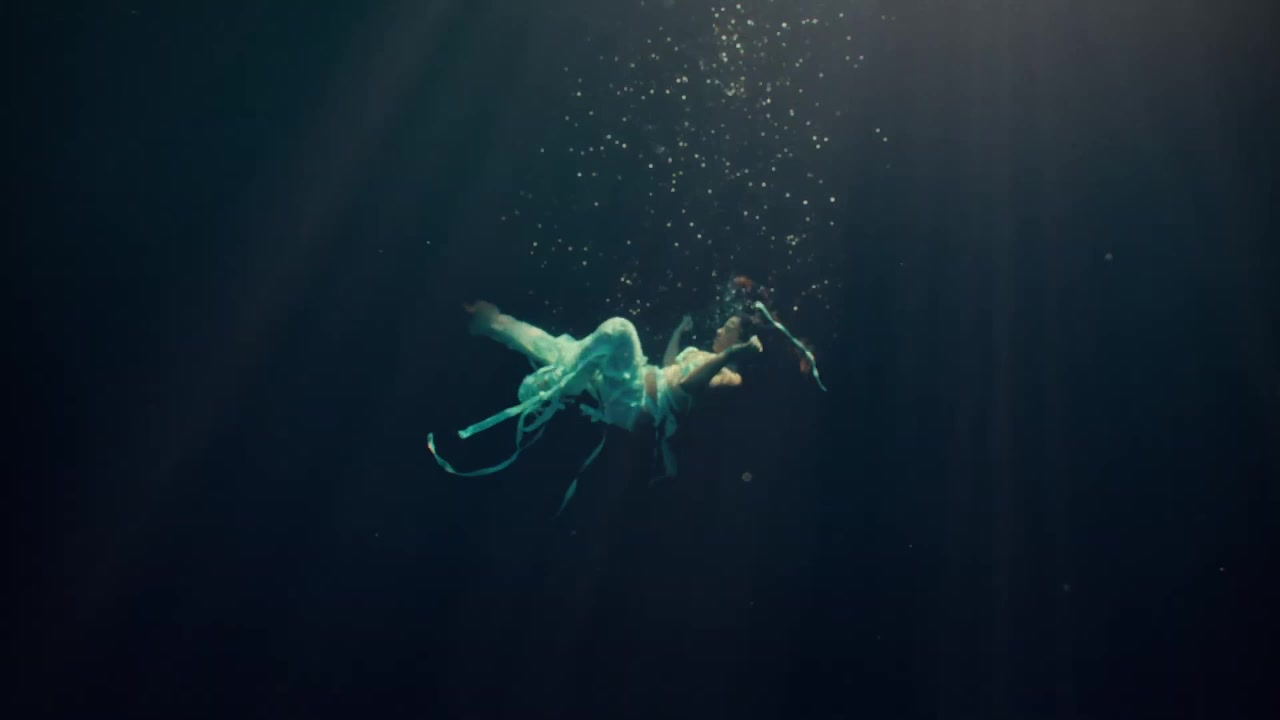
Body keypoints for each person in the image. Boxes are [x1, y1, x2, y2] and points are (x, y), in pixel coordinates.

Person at [426, 301, 763, 514]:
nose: (720, 328)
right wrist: (679, 331)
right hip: (632, 386)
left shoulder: (730, 376)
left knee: (619, 330)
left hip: (636, 407)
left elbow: (687, 386)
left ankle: (561, 383)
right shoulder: (704, 356)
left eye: (728, 328)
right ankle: (494, 325)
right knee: (563, 351)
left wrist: (730, 356)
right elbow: (670, 366)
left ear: (740, 342)